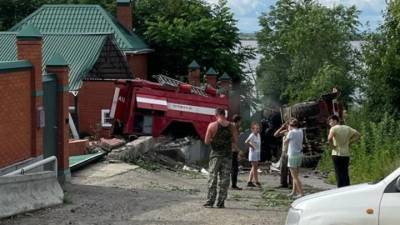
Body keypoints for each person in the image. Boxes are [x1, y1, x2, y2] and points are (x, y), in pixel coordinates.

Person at [203, 108, 238, 208]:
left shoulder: (212, 126)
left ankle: (210, 201)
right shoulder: (232, 127)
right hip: (227, 156)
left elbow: (206, 142)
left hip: (215, 156)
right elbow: (235, 140)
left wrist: (215, 139)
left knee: (212, 178)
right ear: (224, 114)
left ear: (216, 115)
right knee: (225, 180)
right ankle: (221, 202)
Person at [328, 115, 360, 188]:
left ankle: (340, 189)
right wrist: (350, 142)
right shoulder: (347, 128)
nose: (329, 123)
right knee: (345, 172)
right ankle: (347, 188)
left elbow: (329, 138)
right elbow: (358, 135)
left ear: (335, 121)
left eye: (330, 121)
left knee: (338, 173)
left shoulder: (333, 128)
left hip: (336, 154)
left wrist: (332, 146)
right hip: (346, 154)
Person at [285, 118, 304, 198]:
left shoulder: (291, 132)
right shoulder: (300, 131)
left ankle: (301, 193)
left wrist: (286, 134)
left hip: (292, 155)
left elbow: (285, 142)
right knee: (295, 175)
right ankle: (294, 191)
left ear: (290, 125)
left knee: (295, 176)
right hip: (299, 154)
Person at [274, 122, 292, 188]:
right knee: (283, 168)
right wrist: (281, 127)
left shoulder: (293, 133)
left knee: (290, 169)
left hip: (290, 152)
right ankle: (283, 183)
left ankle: (291, 183)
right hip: (284, 152)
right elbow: (275, 135)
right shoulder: (285, 132)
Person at [245, 122, 261, 187]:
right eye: (256, 128)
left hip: (257, 152)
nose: (257, 129)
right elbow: (246, 142)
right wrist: (252, 146)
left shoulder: (258, 135)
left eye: (258, 128)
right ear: (252, 129)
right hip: (253, 153)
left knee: (254, 167)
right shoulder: (252, 135)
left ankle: (249, 181)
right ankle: (256, 181)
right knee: (255, 167)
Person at [231, 114, 242, 190]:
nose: (241, 123)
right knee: (234, 169)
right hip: (232, 151)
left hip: (233, 150)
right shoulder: (233, 128)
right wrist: (239, 151)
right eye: (240, 121)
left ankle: (233, 184)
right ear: (238, 121)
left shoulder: (234, 127)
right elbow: (232, 142)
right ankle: (233, 185)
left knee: (233, 168)